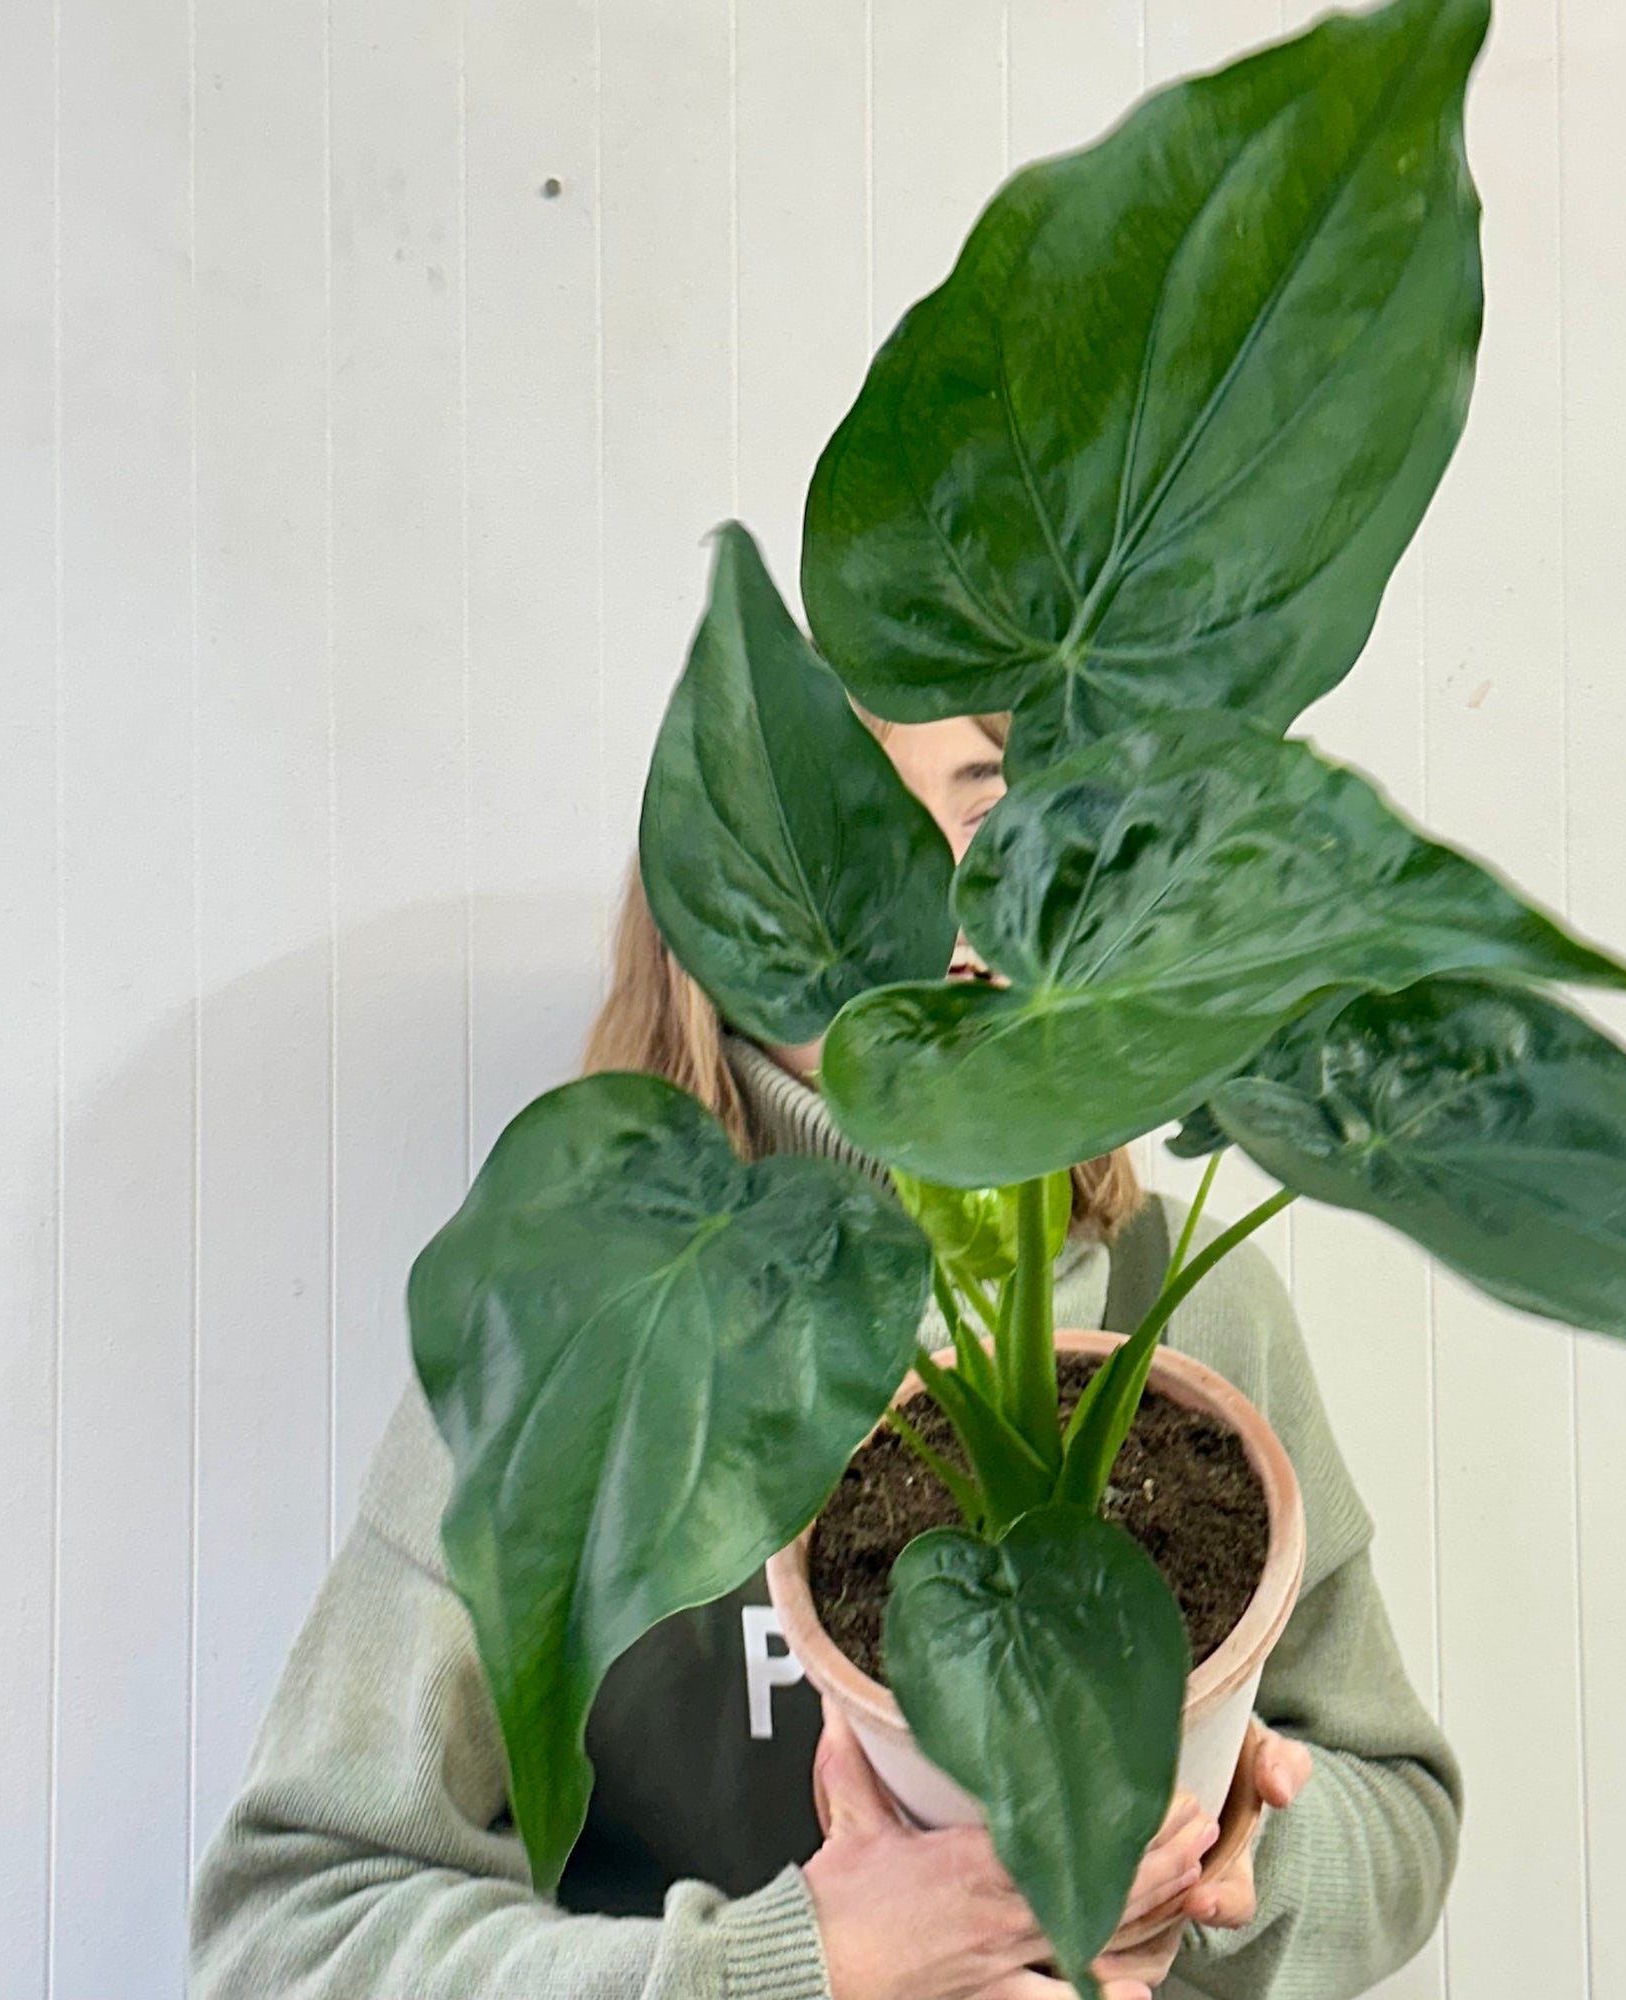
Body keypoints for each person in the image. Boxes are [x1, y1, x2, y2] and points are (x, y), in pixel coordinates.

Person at [188, 714, 1462, 2000]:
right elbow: (287, 1935)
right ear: (722, 918)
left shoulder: (1181, 1313)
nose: (947, 901)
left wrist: (1215, 1847)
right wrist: (788, 1969)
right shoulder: (574, 1330)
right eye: (857, 842)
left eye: (986, 820)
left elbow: (1397, 1818)